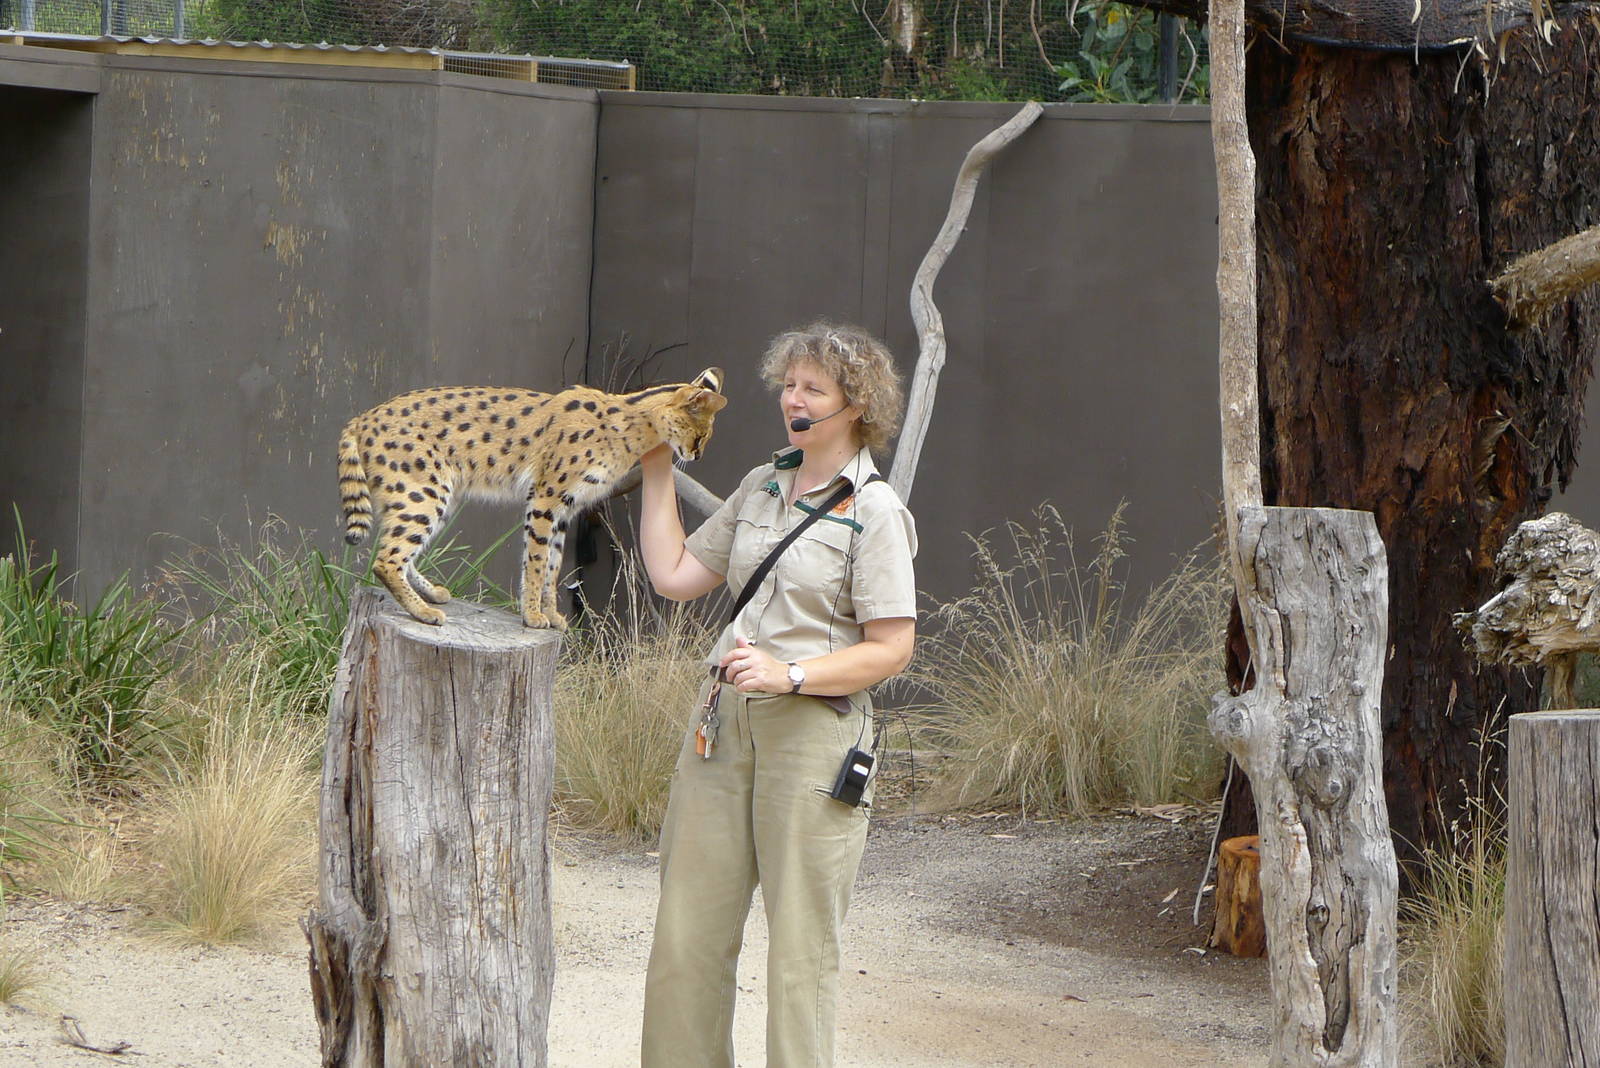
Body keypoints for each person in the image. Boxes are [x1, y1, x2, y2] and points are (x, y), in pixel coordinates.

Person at [636, 322, 918, 1068]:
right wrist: (656, 461)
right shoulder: (761, 485)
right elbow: (673, 575)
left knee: (800, 957)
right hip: (722, 729)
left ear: (854, 406)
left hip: (813, 736)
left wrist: (790, 674)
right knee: (685, 939)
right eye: (789, 384)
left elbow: (892, 648)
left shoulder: (875, 510)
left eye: (813, 389)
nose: (793, 399)